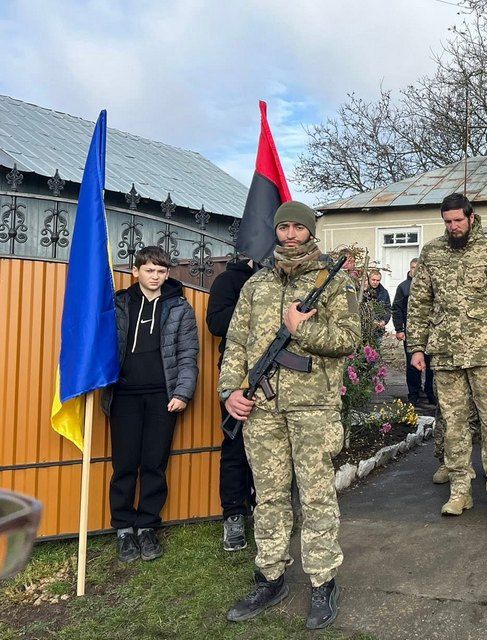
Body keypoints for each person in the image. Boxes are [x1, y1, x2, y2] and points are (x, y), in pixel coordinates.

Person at [220, 202, 360, 630]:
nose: (291, 235)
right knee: (270, 495)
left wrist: (303, 330)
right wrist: (230, 391)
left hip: (313, 408)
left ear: (310, 231)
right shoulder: (257, 283)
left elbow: (349, 339)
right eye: (284, 227)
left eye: (299, 227)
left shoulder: (334, 283)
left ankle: (322, 581)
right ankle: (271, 575)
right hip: (261, 409)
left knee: (316, 494)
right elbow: (236, 344)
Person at [407, 193, 487, 517]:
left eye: (458, 220)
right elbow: (420, 303)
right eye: (448, 222)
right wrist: (417, 346)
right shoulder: (432, 252)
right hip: (445, 352)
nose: (453, 227)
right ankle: (460, 491)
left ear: (471, 218)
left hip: (486, 353)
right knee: (454, 425)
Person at [104, 245, 199, 563]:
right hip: (125, 395)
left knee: (154, 464)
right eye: (149, 270)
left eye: (161, 271)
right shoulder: (120, 303)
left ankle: (146, 527)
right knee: (125, 464)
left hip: (163, 396)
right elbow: (100, 343)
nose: (155, 276)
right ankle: (123, 530)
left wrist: (182, 393)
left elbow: (188, 354)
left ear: (167, 273)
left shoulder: (180, 309)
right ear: (136, 271)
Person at [206, 255, 257, 552]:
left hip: (279, 375)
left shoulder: (280, 280)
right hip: (238, 374)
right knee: (235, 448)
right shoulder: (228, 280)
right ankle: (234, 515)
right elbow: (216, 322)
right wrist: (255, 312)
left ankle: (268, 511)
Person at [393, 258, 435, 406]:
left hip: (430, 331)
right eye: (412, 267)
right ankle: (414, 394)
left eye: (417, 267)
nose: (414, 270)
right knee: (413, 364)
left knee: (430, 365)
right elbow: (397, 309)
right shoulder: (403, 287)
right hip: (411, 332)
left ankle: (430, 393)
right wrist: (399, 329)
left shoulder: (429, 286)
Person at [363, 268, 392, 338]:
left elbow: (388, 309)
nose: (375, 282)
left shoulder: (384, 292)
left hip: (378, 328)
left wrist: (384, 321)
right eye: (373, 280)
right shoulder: (364, 291)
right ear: (369, 279)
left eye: (377, 280)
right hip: (364, 327)